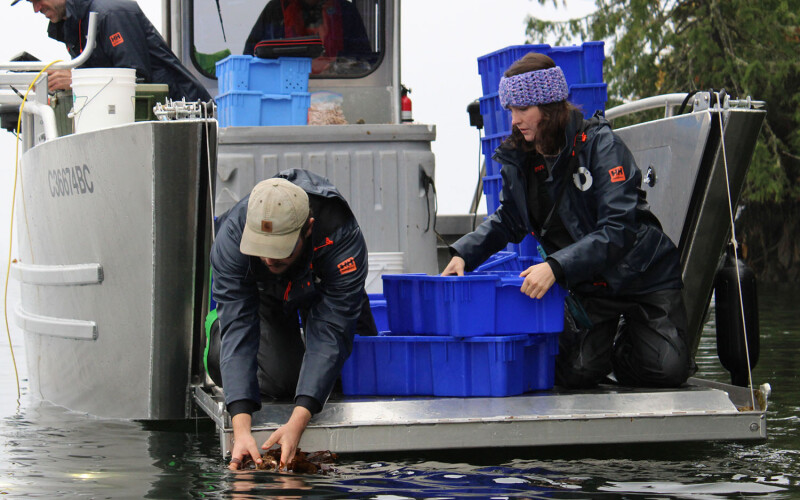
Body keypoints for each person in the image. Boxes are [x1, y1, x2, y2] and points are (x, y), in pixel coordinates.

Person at [442, 53, 695, 389]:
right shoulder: (520, 158)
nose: (514, 119)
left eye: (522, 109)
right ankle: (604, 344)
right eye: (511, 110)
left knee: (667, 370)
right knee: (574, 373)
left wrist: (555, 268)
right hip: (588, 284)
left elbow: (618, 229)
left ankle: (627, 343)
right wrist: (463, 254)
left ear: (548, 106)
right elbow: (508, 219)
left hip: (643, 277)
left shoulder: (602, 146)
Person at [209, 169, 377, 470]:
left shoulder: (341, 236)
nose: (270, 259)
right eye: (262, 249)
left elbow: (332, 330)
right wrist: (241, 427)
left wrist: (299, 420)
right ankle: (212, 336)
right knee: (282, 381)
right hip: (265, 293)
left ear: (308, 228)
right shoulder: (231, 237)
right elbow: (239, 325)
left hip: (323, 284)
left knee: (347, 378)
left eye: (279, 249)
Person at [13, 0, 212, 102]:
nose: (36, 9)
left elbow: (137, 78)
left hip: (183, 116)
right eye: (31, 3)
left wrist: (76, 81)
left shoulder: (111, 11)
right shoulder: (73, 23)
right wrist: (58, 82)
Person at [243, 0, 372, 75]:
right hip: (285, 94)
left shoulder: (346, 11)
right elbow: (250, 61)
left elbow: (366, 64)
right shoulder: (275, 10)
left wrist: (336, 66)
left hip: (339, 92)